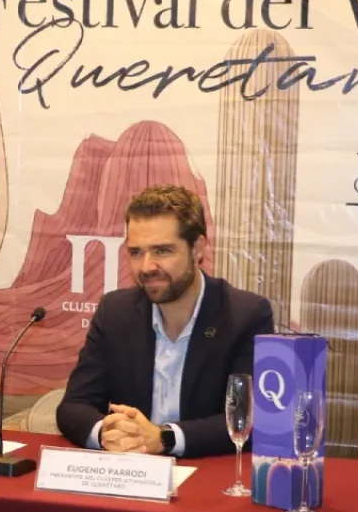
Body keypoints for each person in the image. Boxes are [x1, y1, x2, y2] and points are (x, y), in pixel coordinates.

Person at [56, 184, 274, 458]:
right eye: (136, 252)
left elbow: (249, 418)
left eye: (162, 251)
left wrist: (164, 438)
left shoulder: (245, 315)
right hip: (131, 471)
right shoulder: (115, 312)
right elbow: (74, 406)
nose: (147, 267)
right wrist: (107, 432)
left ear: (197, 248)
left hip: (206, 474)